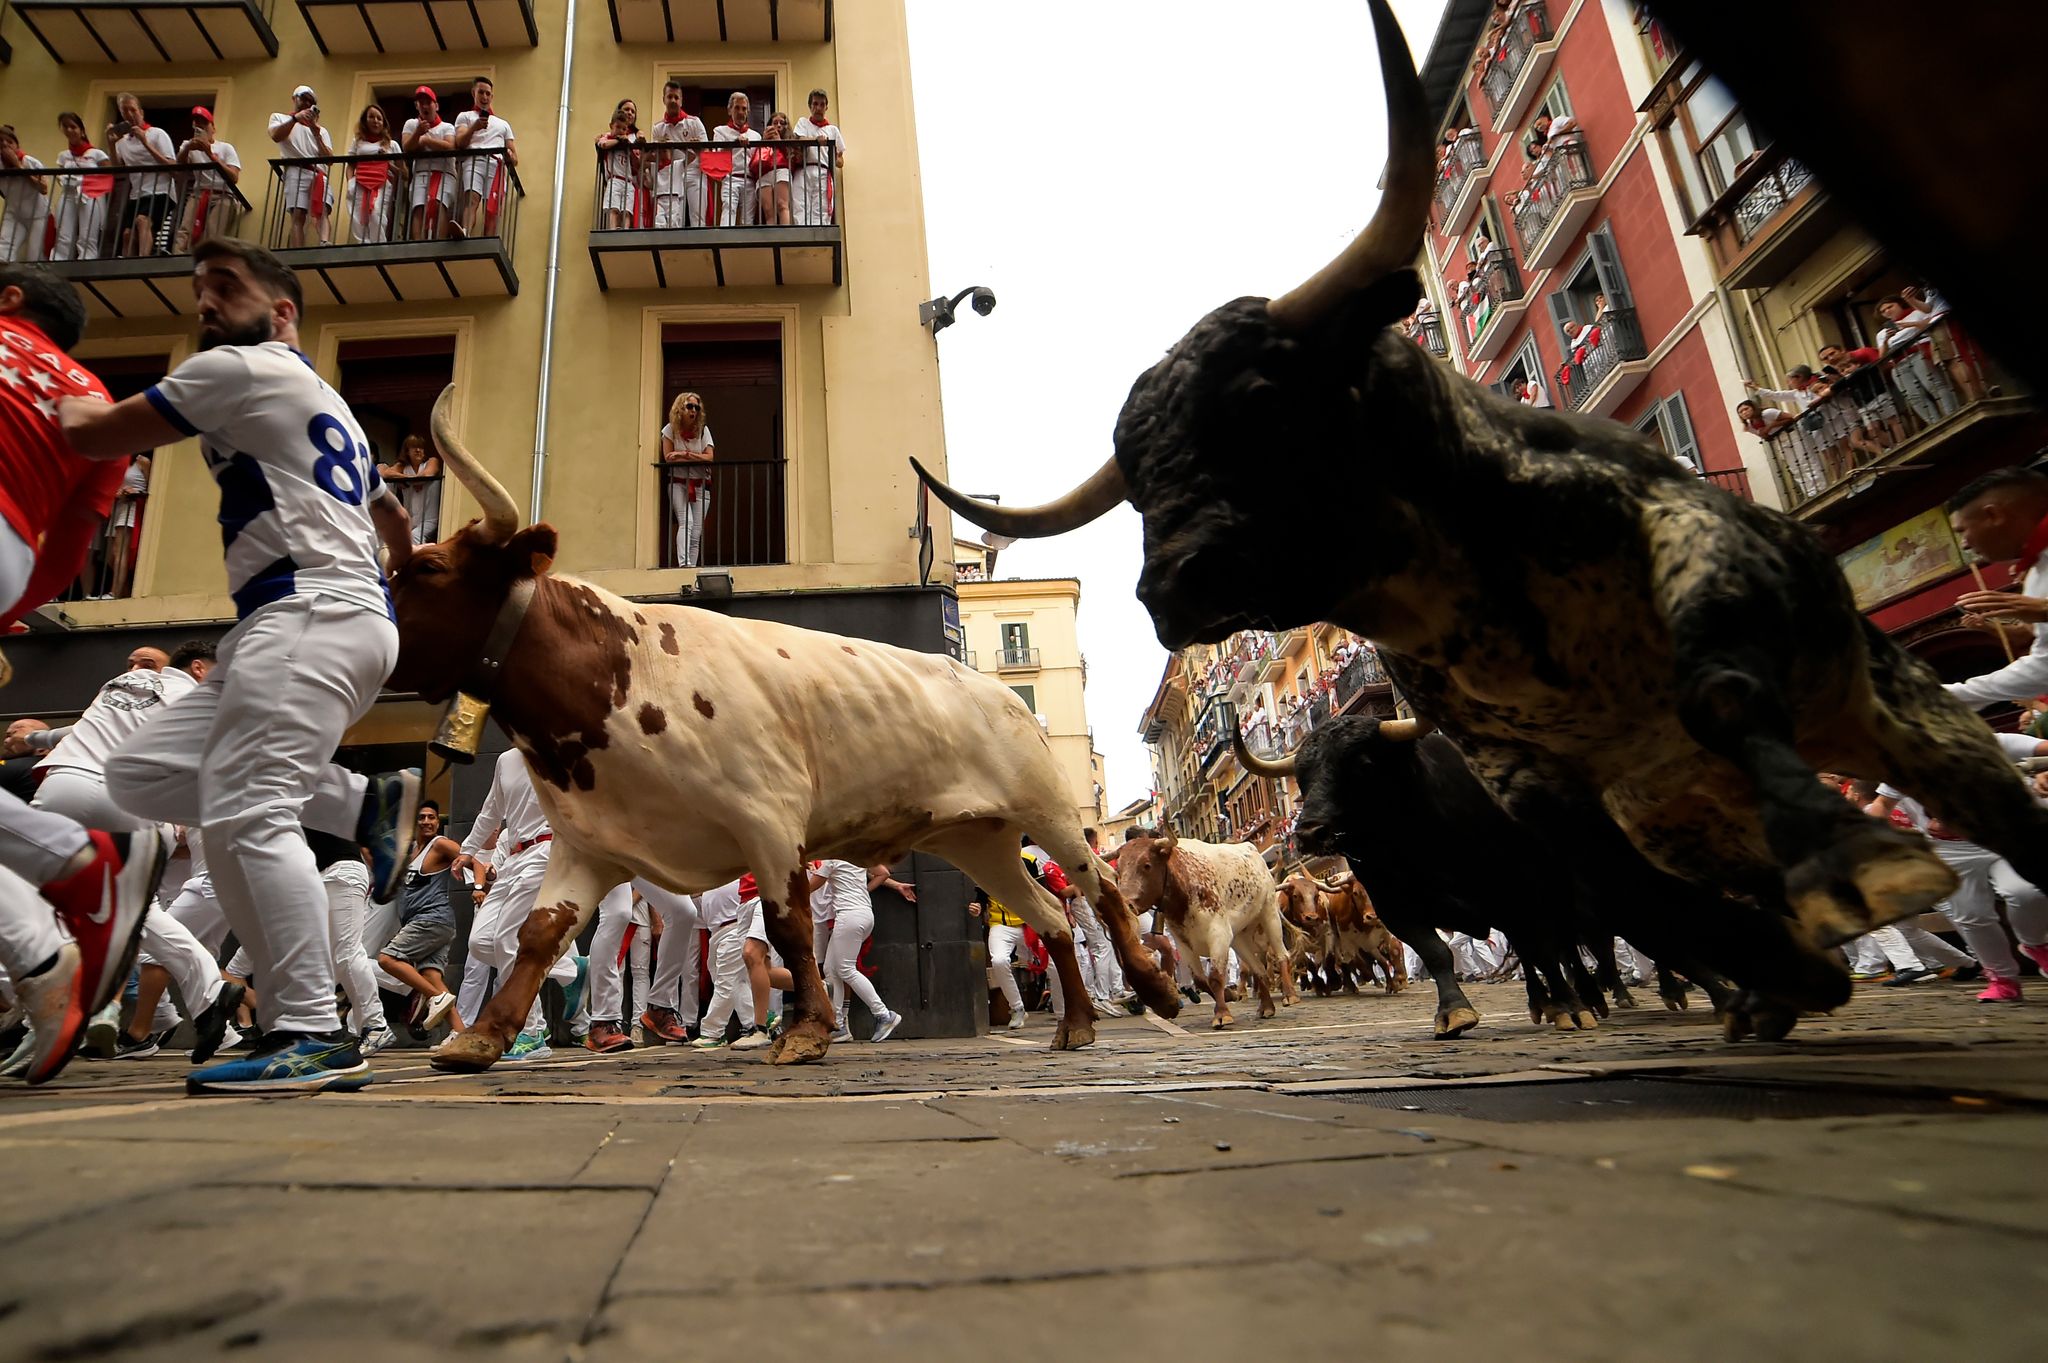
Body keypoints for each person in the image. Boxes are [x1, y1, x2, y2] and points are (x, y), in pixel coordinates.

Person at [56, 238, 423, 1096]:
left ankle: (310, 1030)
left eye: (226, 287)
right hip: (321, 620)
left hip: (306, 615)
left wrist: (39, 380)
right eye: (200, 292)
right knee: (143, 774)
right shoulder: (327, 401)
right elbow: (390, 509)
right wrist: (400, 561)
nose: (207, 304)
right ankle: (364, 801)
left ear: (283, 311)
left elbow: (98, 432)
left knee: (248, 810)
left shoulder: (243, 367)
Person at [0, 265, 169, 1086]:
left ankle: (66, 893)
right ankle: (53, 919)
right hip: (14, 547)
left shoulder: (177, 687)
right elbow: (73, 542)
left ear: (10, 304)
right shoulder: (94, 398)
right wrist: (16, 596)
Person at [449, 746, 585, 1059]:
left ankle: (532, 1032)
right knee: (481, 943)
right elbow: (490, 811)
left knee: (507, 941)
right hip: (513, 858)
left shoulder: (560, 750)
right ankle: (568, 970)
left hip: (546, 851)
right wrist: (468, 850)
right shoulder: (505, 760)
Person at [1945, 468, 2048, 711]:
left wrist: (2044, 608)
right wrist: (1939, 695)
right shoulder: (2035, 576)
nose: (1965, 544)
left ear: (1993, 515)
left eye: (1962, 531)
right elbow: (2044, 668)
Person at [374, 799, 462, 1033]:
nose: (426, 821)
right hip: (427, 923)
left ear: (438, 821)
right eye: (421, 817)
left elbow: (469, 858)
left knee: (387, 959)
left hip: (433, 919)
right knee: (431, 975)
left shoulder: (440, 844)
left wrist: (481, 885)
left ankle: (434, 997)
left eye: (431, 817)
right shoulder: (409, 849)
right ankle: (460, 1034)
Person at [812, 858, 903, 1043]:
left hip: (849, 916)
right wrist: (864, 891)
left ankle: (884, 1014)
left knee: (845, 969)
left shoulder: (830, 859)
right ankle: (838, 1025)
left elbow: (809, 887)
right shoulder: (856, 854)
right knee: (831, 969)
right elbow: (883, 872)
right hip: (864, 914)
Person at [109, 94, 178, 258]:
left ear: (141, 112)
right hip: (137, 194)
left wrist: (145, 142)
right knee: (127, 234)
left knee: (142, 220)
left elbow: (173, 167)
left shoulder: (157, 134)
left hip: (161, 191)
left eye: (133, 109)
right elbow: (117, 169)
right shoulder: (123, 141)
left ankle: (142, 260)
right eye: (125, 111)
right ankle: (126, 269)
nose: (130, 114)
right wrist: (111, 144)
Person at [268, 85, 334, 249]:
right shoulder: (279, 118)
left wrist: (315, 132)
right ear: (294, 99)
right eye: (303, 98)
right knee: (298, 214)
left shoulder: (321, 131)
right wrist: (296, 119)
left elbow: (329, 159)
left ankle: (325, 242)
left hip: (318, 173)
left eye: (310, 102)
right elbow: (276, 136)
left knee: (323, 210)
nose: (306, 103)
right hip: (295, 171)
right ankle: (298, 250)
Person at [452, 76, 517, 239]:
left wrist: (509, 155)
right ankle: (465, 232)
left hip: (496, 165)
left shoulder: (503, 124)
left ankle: (488, 239)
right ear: (474, 93)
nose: (484, 97)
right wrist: (474, 127)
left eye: (488, 93)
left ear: (492, 96)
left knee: (492, 208)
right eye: (481, 92)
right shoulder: (464, 116)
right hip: (473, 161)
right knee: (471, 199)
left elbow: (515, 157)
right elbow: (460, 142)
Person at [661, 390, 714, 568]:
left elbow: (710, 457)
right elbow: (668, 457)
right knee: (687, 522)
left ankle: (691, 568)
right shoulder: (669, 430)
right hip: (678, 483)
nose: (694, 411)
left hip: (701, 486)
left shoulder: (703, 431)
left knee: (696, 532)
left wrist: (684, 454)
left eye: (697, 407)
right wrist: (697, 457)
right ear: (680, 408)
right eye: (689, 406)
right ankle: (684, 564)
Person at [173, 108, 239, 252]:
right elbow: (179, 166)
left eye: (204, 124)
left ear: (213, 128)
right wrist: (187, 149)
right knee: (185, 230)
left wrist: (210, 154)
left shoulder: (225, 148)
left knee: (213, 232)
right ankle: (177, 260)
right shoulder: (187, 145)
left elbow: (234, 177)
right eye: (197, 124)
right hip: (199, 193)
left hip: (223, 195)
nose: (200, 126)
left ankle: (206, 260)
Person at [52, 113, 113, 262]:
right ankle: (59, 260)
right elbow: (60, 176)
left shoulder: (96, 154)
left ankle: (87, 259)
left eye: (73, 127)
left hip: (89, 194)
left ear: (82, 130)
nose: (69, 130)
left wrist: (89, 183)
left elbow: (109, 175)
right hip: (68, 194)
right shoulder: (63, 156)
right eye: (65, 127)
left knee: (87, 233)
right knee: (63, 233)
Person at [646, 82, 707, 229]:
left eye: (676, 97)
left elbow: (706, 151)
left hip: (694, 172)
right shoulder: (658, 127)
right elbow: (657, 157)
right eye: (669, 97)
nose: (673, 100)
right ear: (664, 99)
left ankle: (698, 245)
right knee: (673, 216)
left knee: (697, 215)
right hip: (671, 175)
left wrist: (695, 147)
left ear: (681, 100)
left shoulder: (694, 122)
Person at [403, 86, 457, 242]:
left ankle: (439, 242)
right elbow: (407, 147)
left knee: (440, 206)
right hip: (421, 173)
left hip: (444, 173)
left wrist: (426, 140)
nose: (425, 106)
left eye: (428, 102)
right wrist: (418, 133)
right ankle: (419, 244)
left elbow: (449, 146)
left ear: (436, 106)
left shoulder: (447, 127)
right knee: (419, 207)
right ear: (417, 107)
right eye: (421, 103)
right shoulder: (411, 125)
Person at [347, 105, 400, 244]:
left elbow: (403, 172)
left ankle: (379, 246)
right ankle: (363, 244)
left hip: (381, 183)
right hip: (360, 181)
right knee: (359, 214)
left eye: (379, 118)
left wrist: (387, 161)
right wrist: (349, 182)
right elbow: (350, 164)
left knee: (376, 214)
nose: (375, 121)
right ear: (365, 120)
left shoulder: (391, 144)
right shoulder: (357, 142)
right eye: (371, 117)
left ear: (383, 123)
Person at [791, 88, 844, 227]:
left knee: (821, 208)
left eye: (821, 104)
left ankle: (819, 235)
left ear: (826, 107)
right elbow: (799, 138)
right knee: (800, 205)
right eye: (815, 104)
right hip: (804, 169)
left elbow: (840, 161)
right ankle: (802, 235)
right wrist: (816, 140)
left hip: (823, 171)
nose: (818, 108)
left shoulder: (832, 130)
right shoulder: (803, 123)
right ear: (810, 106)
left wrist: (832, 152)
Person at [377, 433, 441, 544]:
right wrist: (409, 480)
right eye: (414, 447)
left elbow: (426, 476)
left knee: (413, 537)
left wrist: (408, 481)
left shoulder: (431, 461)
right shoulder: (403, 467)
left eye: (420, 447)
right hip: (410, 519)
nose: (418, 450)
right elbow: (385, 473)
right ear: (407, 451)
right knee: (388, 538)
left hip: (429, 519)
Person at [0, 127, 50, 264]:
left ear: (17, 145)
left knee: (34, 257)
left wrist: (18, 167)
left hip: (37, 216)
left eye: (9, 142)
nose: (5, 145)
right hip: (14, 213)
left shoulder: (30, 162)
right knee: (3, 251)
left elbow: (43, 188)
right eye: (1, 143)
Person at [709, 92, 759, 227]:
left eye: (744, 109)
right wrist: (734, 143)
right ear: (729, 110)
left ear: (748, 112)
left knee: (747, 220)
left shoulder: (756, 136)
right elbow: (717, 156)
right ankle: (725, 244)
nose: (741, 112)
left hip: (750, 180)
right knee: (728, 211)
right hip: (730, 178)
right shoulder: (720, 131)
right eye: (737, 108)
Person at [596, 105, 643, 230]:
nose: (621, 131)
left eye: (624, 129)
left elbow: (636, 163)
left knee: (627, 209)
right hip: (615, 179)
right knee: (614, 207)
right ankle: (613, 228)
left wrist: (629, 147)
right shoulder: (608, 138)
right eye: (618, 127)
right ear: (611, 126)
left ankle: (625, 228)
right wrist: (619, 141)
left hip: (628, 181)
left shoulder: (628, 143)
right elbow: (603, 144)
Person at [751, 112, 793, 227]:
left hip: (781, 169)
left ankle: (785, 237)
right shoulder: (762, 140)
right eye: (775, 123)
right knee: (769, 212)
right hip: (764, 173)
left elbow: (792, 157)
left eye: (782, 123)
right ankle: (773, 239)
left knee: (782, 205)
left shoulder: (789, 140)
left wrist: (779, 142)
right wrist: (764, 141)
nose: (778, 125)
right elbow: (755, 160)